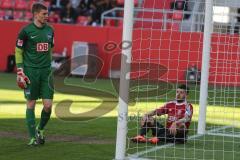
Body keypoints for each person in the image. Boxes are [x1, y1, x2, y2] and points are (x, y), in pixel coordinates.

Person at [15, 2, 54, 146]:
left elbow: (50, 50)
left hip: (46, 73)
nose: (47, 16)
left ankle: (40, 129)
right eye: (44, 14)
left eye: (47, 13)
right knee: (31, 103)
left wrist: (50, 65)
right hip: (31, 72)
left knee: (48, 106)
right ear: (36, 14)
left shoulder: (50, 30)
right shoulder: (25, 31)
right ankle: (32, 138)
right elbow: (18, 50)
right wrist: (20, 70)